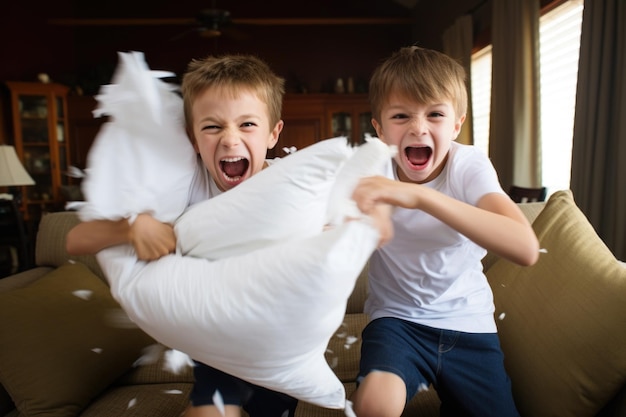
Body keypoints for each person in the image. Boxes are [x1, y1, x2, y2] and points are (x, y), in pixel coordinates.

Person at [67, 53, 297, 417]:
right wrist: (132, 226)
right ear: (192, 137)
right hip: (220, 347)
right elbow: (76, 240)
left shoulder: (294, 184)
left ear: (273, 133)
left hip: (281, 348)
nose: (230, 140)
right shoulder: (188, 184)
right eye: (212, 127)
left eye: (247, 124)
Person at [348, 45, 540, 417]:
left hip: (469, 324)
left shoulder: (468, 165)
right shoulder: (369, 169)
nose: (418, 127)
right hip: (396, 322)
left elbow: (526, 249)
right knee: (373, 405)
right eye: (401, 116)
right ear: (380, 129)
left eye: (435, 115)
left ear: (456, 125)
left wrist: (419, 198)